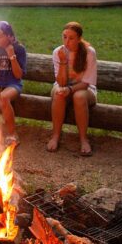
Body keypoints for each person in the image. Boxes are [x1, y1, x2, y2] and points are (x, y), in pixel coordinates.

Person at [46, 22, 98, 156]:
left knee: (79, 96)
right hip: (63, 87)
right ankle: (56, 136)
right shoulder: (58, 52)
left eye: (71, 38)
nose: (66, 41)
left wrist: (70, 90)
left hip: (86, 89)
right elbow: (61, 83)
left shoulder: (89, 52)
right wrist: (63, 61)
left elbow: (86, 83)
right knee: (58, 93)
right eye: (64, 37)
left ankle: (83, 139)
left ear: (79, 38)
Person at [0, 21, 27, 143]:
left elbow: (18, 75)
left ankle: (12, 135)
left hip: (13, 83)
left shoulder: (19, 49)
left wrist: (11, 55)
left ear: (9, 36)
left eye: (0, 36)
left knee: (3, 97)